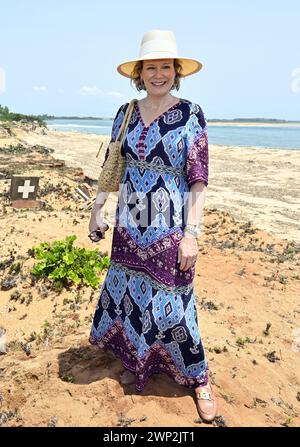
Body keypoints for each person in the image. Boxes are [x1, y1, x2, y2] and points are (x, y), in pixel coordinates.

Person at [88, 29, 217, 422]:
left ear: (176, 72)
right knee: (132, 294)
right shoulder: (124, 112)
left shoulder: (191, 114)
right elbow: (113, 167)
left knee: (176, 305)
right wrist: (97, 209)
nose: (158, 74)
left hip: (169, 227)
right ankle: (140, 360)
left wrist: (191, 235)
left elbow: (198, 178)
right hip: (130, 223)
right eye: (150, 67)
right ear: (139, 74)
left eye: (165, 67)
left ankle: (199, 378)